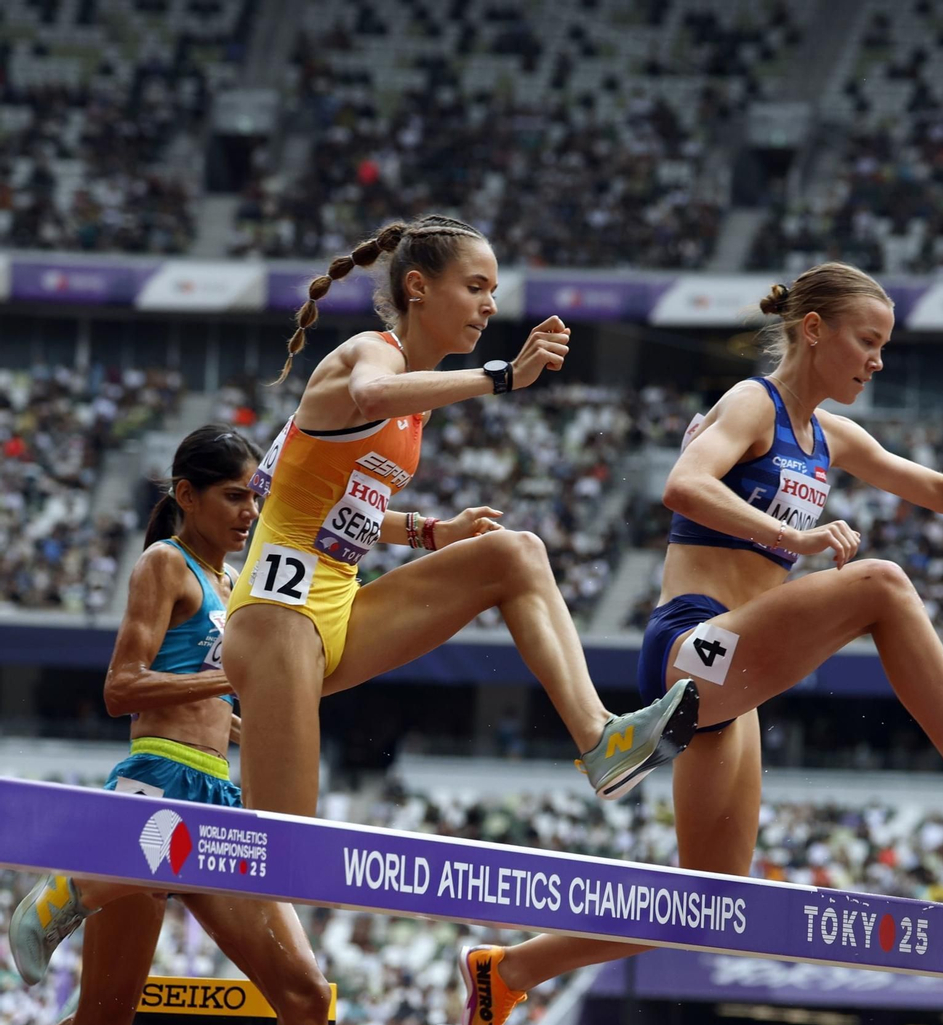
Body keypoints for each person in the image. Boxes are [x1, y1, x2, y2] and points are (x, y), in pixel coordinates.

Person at [449, 262, 943, 1025]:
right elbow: (683, 485)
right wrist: (802, 541)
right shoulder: (752, 403)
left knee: (712, 903)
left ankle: (513, 968)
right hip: (691, 642)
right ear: (815, 331)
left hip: (730, 678)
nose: (878, 361)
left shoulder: (831, 436)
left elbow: (934, 486)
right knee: (880, 583)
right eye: (868, 342)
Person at [221, 214, 699, 818]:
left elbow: (336, 504)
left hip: (338, 607)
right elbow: (371, 394)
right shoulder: (371, 353)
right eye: (476, 288)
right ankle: (81, 886)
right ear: (418, 288)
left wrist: (432, 532)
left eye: (493, 292)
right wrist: (501, 377)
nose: (491, 306)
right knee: (281, 845)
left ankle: (601, 739)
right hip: (279, 616)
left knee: (515, 554)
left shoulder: (417, 400)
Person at [4, 426, 334, 1025]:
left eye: (256, 497)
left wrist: (244, 722)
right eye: (236, 496)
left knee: (299, 996)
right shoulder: (164, 564)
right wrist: (237, 680)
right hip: (157, 786)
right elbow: (121, 688)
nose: (250, 512)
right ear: (187, 494)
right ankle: (74, 884)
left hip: (215, 792)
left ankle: (86, 881)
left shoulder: (231, 581)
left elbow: (205, 693)